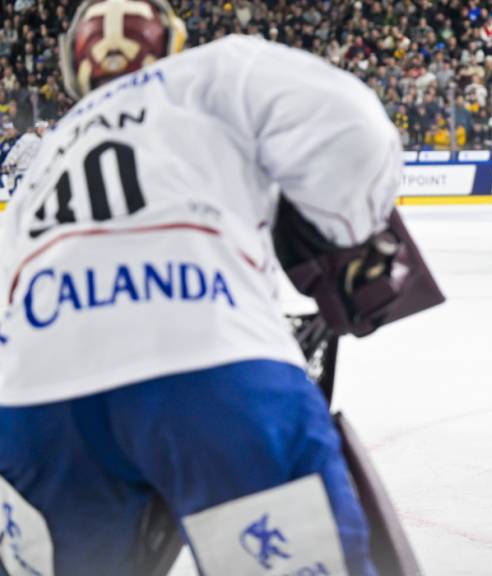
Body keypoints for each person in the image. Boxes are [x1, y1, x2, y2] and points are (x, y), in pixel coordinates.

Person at [0, 1, 430, 574]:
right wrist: (347, 235)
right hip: (211, 361)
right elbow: (353, 127)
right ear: (172, 41)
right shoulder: (215, 68)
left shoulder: (48, 150)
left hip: (31, 401)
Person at [0, 119, 46, 197]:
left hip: (35, 172)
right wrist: (7, 164)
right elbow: (15, 153)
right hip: (19, 172)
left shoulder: (47, 139)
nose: (8, 132)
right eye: (6, 130)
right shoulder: (26, 138)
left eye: (43, 128)